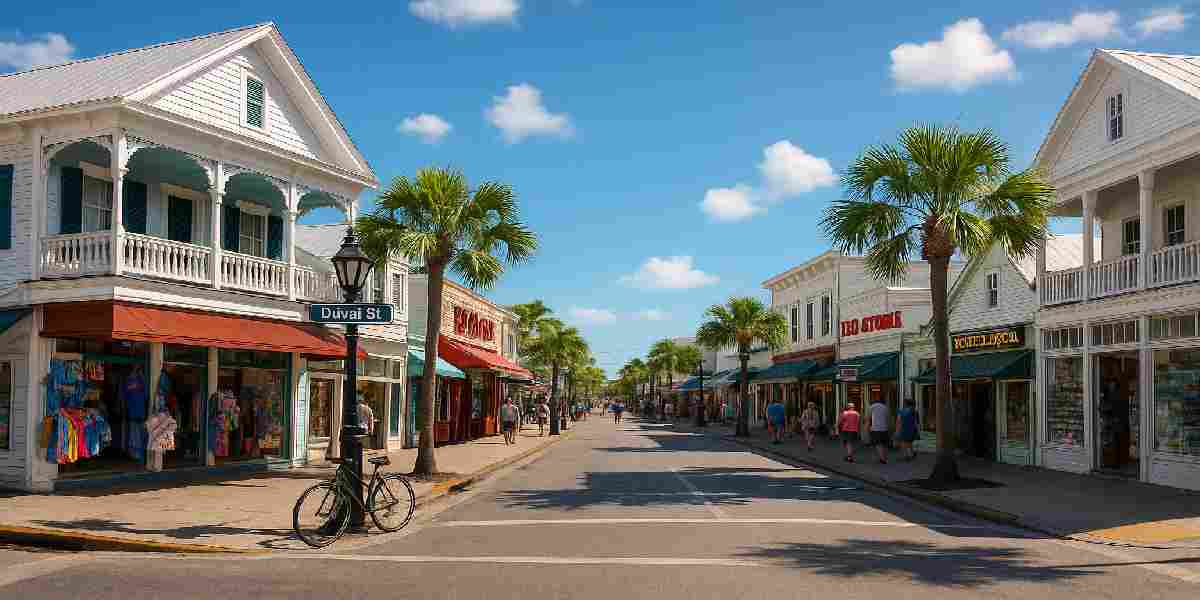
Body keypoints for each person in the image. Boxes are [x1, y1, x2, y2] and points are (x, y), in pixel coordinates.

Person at [869, 396, 890, 464]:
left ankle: (882, 459)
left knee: (878, 444)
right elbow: (888, 418)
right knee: (884, 444)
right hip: (884, 428)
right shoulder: (885, 407)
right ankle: (884, 457)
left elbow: (868, 417)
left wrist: (867, 427)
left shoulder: (872, 407)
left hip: (876, 428)